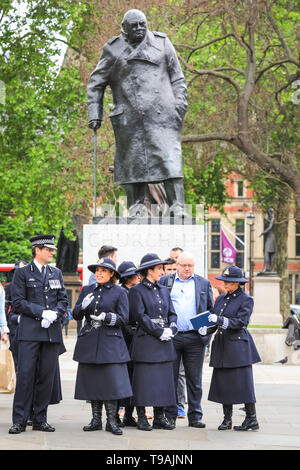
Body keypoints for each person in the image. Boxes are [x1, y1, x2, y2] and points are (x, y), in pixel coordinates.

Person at [87, 9, 188, 217]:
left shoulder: (162, 43)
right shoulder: (113, 50)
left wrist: (179, 105)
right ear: (124, 28)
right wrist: (94, 113)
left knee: (170, 158)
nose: (140, 29)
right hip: (129, 118)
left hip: (164, 115)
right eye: (135, 26)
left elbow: (177, 77)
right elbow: (95, 83)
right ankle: (137, 206)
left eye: (143, 24)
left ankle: (178, 205)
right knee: (133, 161)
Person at [9, 234, 68, 434]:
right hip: (30, 332)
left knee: (46, 377)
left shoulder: (56, 273)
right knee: (25, 376)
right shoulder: (23, 273)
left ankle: (40, 418)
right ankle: (20, 419)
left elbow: (63, 301)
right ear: (37, 250)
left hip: (50, 333)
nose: (52, 252)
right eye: (48, 249)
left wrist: (55, 314)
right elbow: (18, 302)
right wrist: (41, 312)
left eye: (52, 250)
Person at [72, 257, 132, 436]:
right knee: (93, 382)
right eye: (97, 270)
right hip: (90, 340)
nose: (98, 273)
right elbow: (76, 315)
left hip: (110, 342)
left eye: (103, 270)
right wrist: (82, 306)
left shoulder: (119, 292)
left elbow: (124, 319)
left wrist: (107, 317)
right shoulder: (87, 289)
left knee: (111, 383)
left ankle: (112, 421)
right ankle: (96, 420)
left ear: (111, 273)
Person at [199, 265, 261, 431]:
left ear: (237, 283)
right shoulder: (220, 299)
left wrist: (218, 320)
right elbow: (214, 320)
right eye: (224, 281)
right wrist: (207, 328)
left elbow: (241, 322)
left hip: (238, 347)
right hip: (222, 345)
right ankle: (227, 419)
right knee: (224, 383)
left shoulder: (246, 299)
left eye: (229, 281)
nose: (225, 284)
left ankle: (251, 418)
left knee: (243, 384)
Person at [160, 251, 213, 428]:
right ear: (178, 265)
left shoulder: (203, 283)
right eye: (184, 265)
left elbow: (210, 311)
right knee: (170, 378)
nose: (188, 269)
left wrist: (207, 333)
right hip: (172, 338)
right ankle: (170, 415)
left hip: (195, 338)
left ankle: (195, 416)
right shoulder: (165, 282)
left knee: (194, 379)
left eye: (191, 265)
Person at [128, 253, 178, 431]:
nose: (162, 272)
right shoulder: (136, 291)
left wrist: (171, 328)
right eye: (159, 269)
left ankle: (159, 416)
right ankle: (141, 416)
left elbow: (172, 313)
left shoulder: (164, 290)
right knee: (143, 382)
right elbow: (139, 316)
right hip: (146, 342)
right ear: (149, 270)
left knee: (163, 382)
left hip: (164, 342)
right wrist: (159, 332)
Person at [117, 261, 140, 427]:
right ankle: (117, 414)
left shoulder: (135, 291)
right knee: (122, 379)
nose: (137, 277)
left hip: (134, 339)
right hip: (124, 339)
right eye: (134, 275)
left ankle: (129, 415)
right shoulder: (122, 292)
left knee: (133, 379)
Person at [259, 208, 276, 273]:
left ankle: (268, 268)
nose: (269, 213)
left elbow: (270, 228)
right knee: (266, 253)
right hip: (267, 237)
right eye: (268, 212)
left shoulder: (272, 219)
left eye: (270, 212)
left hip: (270, 237)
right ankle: (266, 268)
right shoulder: (267, 219)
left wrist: (262, 233)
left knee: (268, 253)